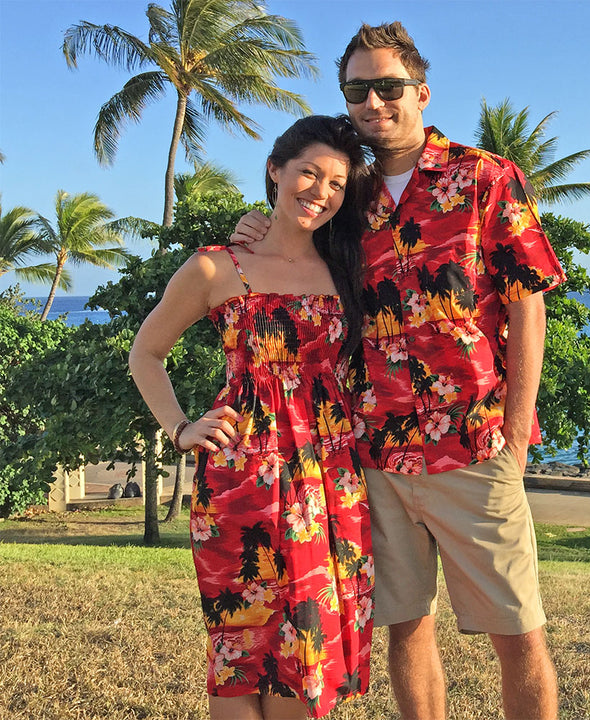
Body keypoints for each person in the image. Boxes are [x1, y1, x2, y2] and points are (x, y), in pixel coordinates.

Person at [232, 22, 566, 720]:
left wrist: (517, 426)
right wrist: (252, 225)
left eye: (388, 86)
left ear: (421, 90)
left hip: (474, 445)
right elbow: (288, 235)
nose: (373, 102)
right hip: (373, 450)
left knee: (518, 632)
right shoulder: (342, 195)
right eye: (358, 89)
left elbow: (527, 306)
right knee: (406, 629)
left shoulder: (485, 177)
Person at [129, 115, 374, 720]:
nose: (320, 191)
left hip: (331, 483)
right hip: (243, 482)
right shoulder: (218, 267)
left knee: (306, 659)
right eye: (308, 173)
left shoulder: (347, 266)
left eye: (337, 184)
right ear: (275, 170)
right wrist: (183, 428)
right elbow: (145, 353)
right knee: (240, 655)